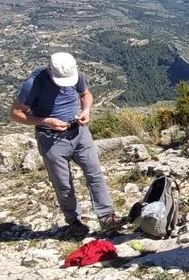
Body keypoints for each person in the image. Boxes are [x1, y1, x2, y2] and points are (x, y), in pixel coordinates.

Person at [10, 52, 122, 238]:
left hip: (79, 132)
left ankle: (107, 216)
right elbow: (15, 113)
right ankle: (74, 221)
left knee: (95, 173)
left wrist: (86, 110)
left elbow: (85, 94)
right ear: (49, 69)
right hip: (51, 139)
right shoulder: (33, 83)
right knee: (63, 184)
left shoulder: (75, 74)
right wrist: (46, 121)